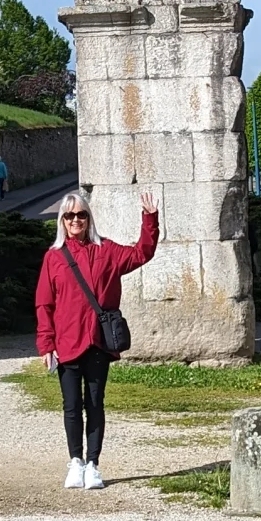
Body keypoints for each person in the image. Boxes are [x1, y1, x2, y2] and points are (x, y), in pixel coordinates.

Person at [34, 188, 159, 490]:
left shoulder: (107, 251)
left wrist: (150, 218)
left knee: (95, 403)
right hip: (67, 342)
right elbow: (44, 303)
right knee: (71, 405)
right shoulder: (54, 258)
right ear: (62, 222)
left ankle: (93, 463)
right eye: (69, 216)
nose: (75, 220)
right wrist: (46, 344)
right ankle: (75, 461)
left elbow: (142, 252)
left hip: (97, 343)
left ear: (89, 218)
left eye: (81, 215)